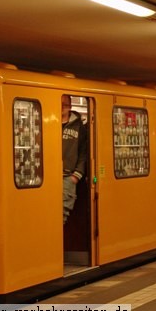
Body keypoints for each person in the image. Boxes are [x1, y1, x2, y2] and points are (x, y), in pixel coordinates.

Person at [61, 95, 88, 224]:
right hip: (47, 178)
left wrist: (76, 175)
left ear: (70, 107)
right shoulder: (47, 122)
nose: (62, 108)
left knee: (62, 215)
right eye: (59, 104)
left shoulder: (78, 127)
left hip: (68, 176)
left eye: (65, 105)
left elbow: (84, 152)